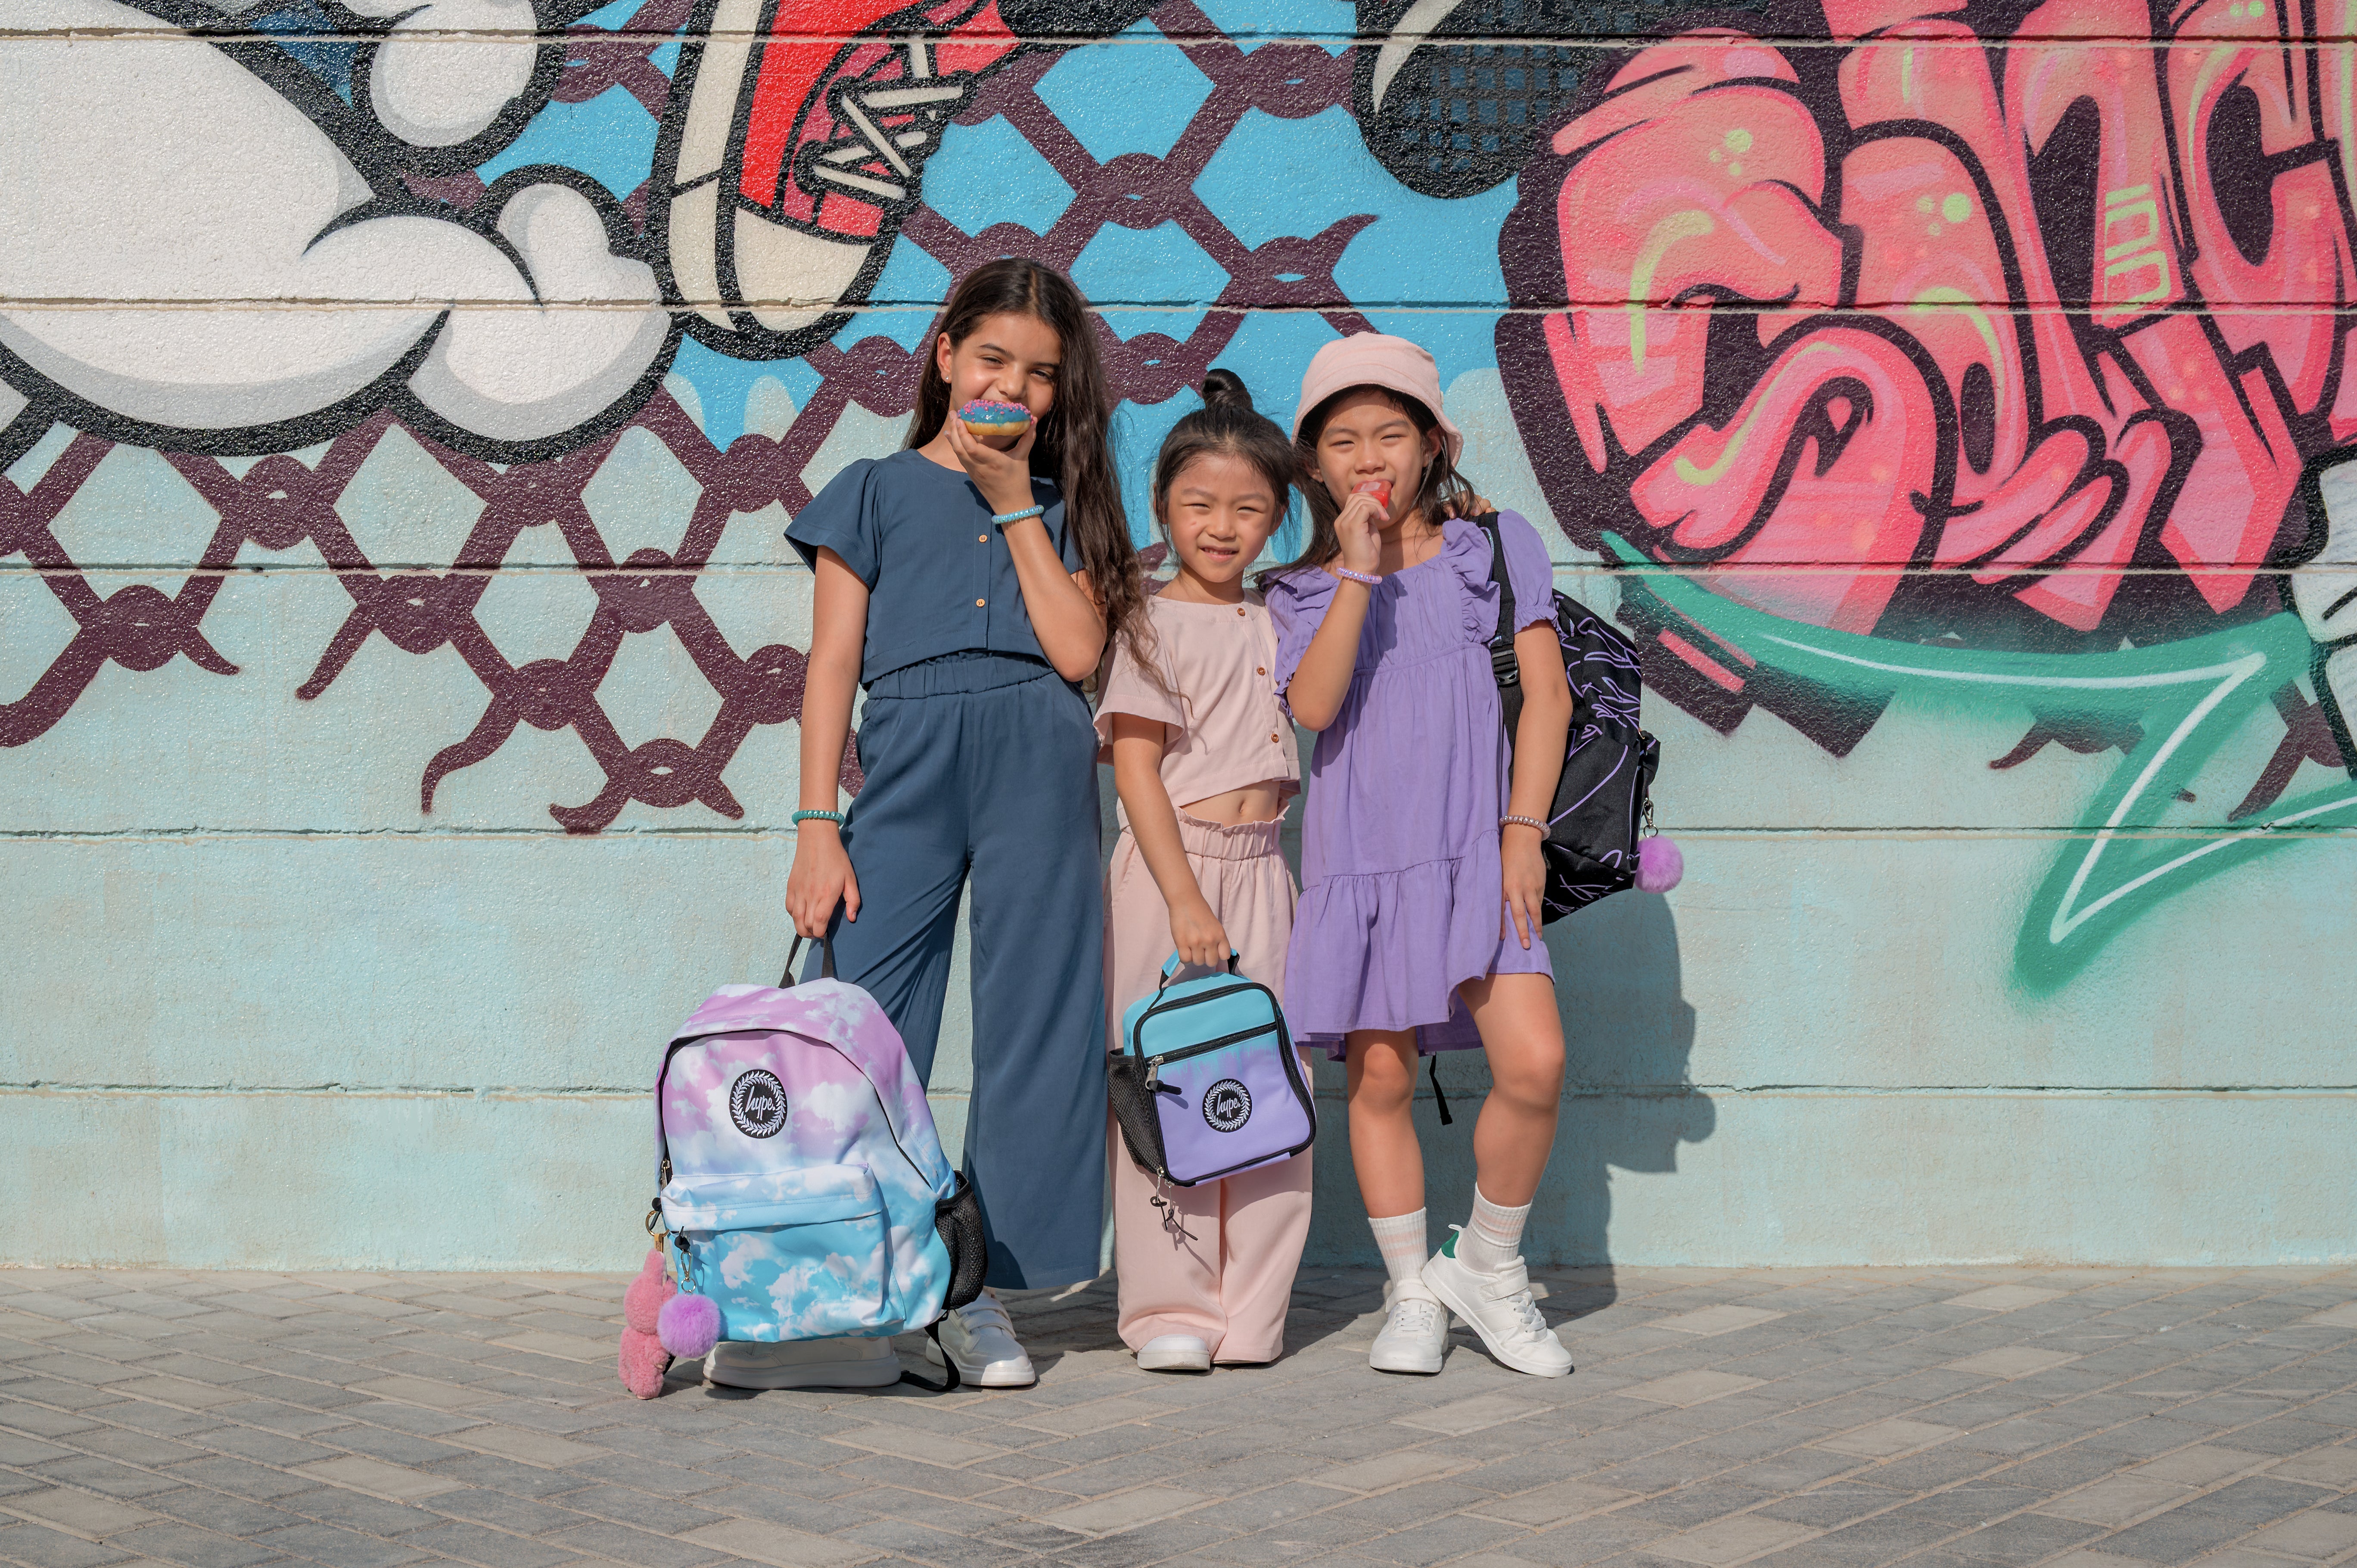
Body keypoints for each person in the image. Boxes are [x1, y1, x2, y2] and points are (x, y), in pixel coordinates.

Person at [781, 258, 1144, 1390]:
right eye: (993, 358)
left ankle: (972, 1291)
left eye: (1040, 375)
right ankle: (852, 1272)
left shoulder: (1069, 501)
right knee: (860, 1022)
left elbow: (1082, 657)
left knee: (1042, 1019)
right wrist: (812, 822)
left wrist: (1013, 503)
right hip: (909, 756)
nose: (1015, 388)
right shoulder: (873, 490)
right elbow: (831, 663)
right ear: (945, 354)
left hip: (1039, 752)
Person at [1264, 334, 1576, 1378]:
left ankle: (1485, 1267)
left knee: (1534, 1064)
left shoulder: (1496, 547)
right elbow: (1313, 706)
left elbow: (1549, 697)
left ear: (1435, 443)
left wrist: (1521, 835)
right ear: (1313, 462)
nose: (1369, 456)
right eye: (1343, 439)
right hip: (1363, 861)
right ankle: (1410, 1292)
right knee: (1383, 1079)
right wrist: (1356, 566)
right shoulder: (1302, 587)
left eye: (1391, 433)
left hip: (1477, 854)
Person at [1097, 369, 1308, 1373]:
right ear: (1164, 509)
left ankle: (1253, 1312)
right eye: (1199, 506)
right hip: (1169, 872)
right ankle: (1170, 1309)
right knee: (1167, 1084)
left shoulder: (1284, 615)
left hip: (1265, 870)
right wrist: (1184, 899)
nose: (1222, 528)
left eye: (1249, 509)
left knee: (1274, 1081)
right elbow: (1136, 765)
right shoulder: (1148, 620)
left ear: (1278, 516)